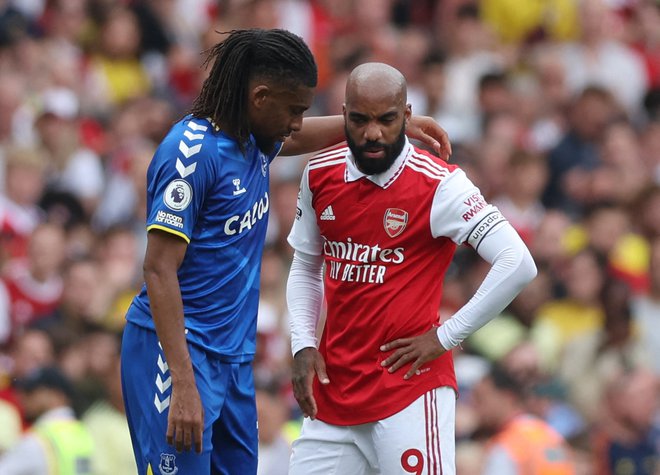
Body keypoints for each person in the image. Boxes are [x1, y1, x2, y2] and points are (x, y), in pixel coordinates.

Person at [119, 29, 451, 475]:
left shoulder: (252, 139)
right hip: (176, 353)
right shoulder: (191, 154)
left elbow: (294, 139)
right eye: (294, 109)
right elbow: (158, 270)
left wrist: (389, 128)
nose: (297, 121)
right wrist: (182, 382)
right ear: (260, 97)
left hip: (232, 358)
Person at [285, 62, 536, 475]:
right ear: (343, 113)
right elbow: (307, 264)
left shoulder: (440, 184)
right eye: (360, 119)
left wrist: (445, 337)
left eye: (385, 120)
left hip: (409, 391)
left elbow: (517, 262)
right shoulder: (319, 172)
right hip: (334, 393)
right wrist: (302, 344)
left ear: (407, 115)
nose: (372, 134)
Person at [471, 364, 576, 475]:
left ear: (507, 397)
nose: (474, 406)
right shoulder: (549, 434)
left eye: (480, 398)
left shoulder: (507, 445)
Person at [0, 366, 94, 474]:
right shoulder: (83, 433)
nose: (23, 397)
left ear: (57, 395)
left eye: (31, 392)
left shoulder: (37, 442)